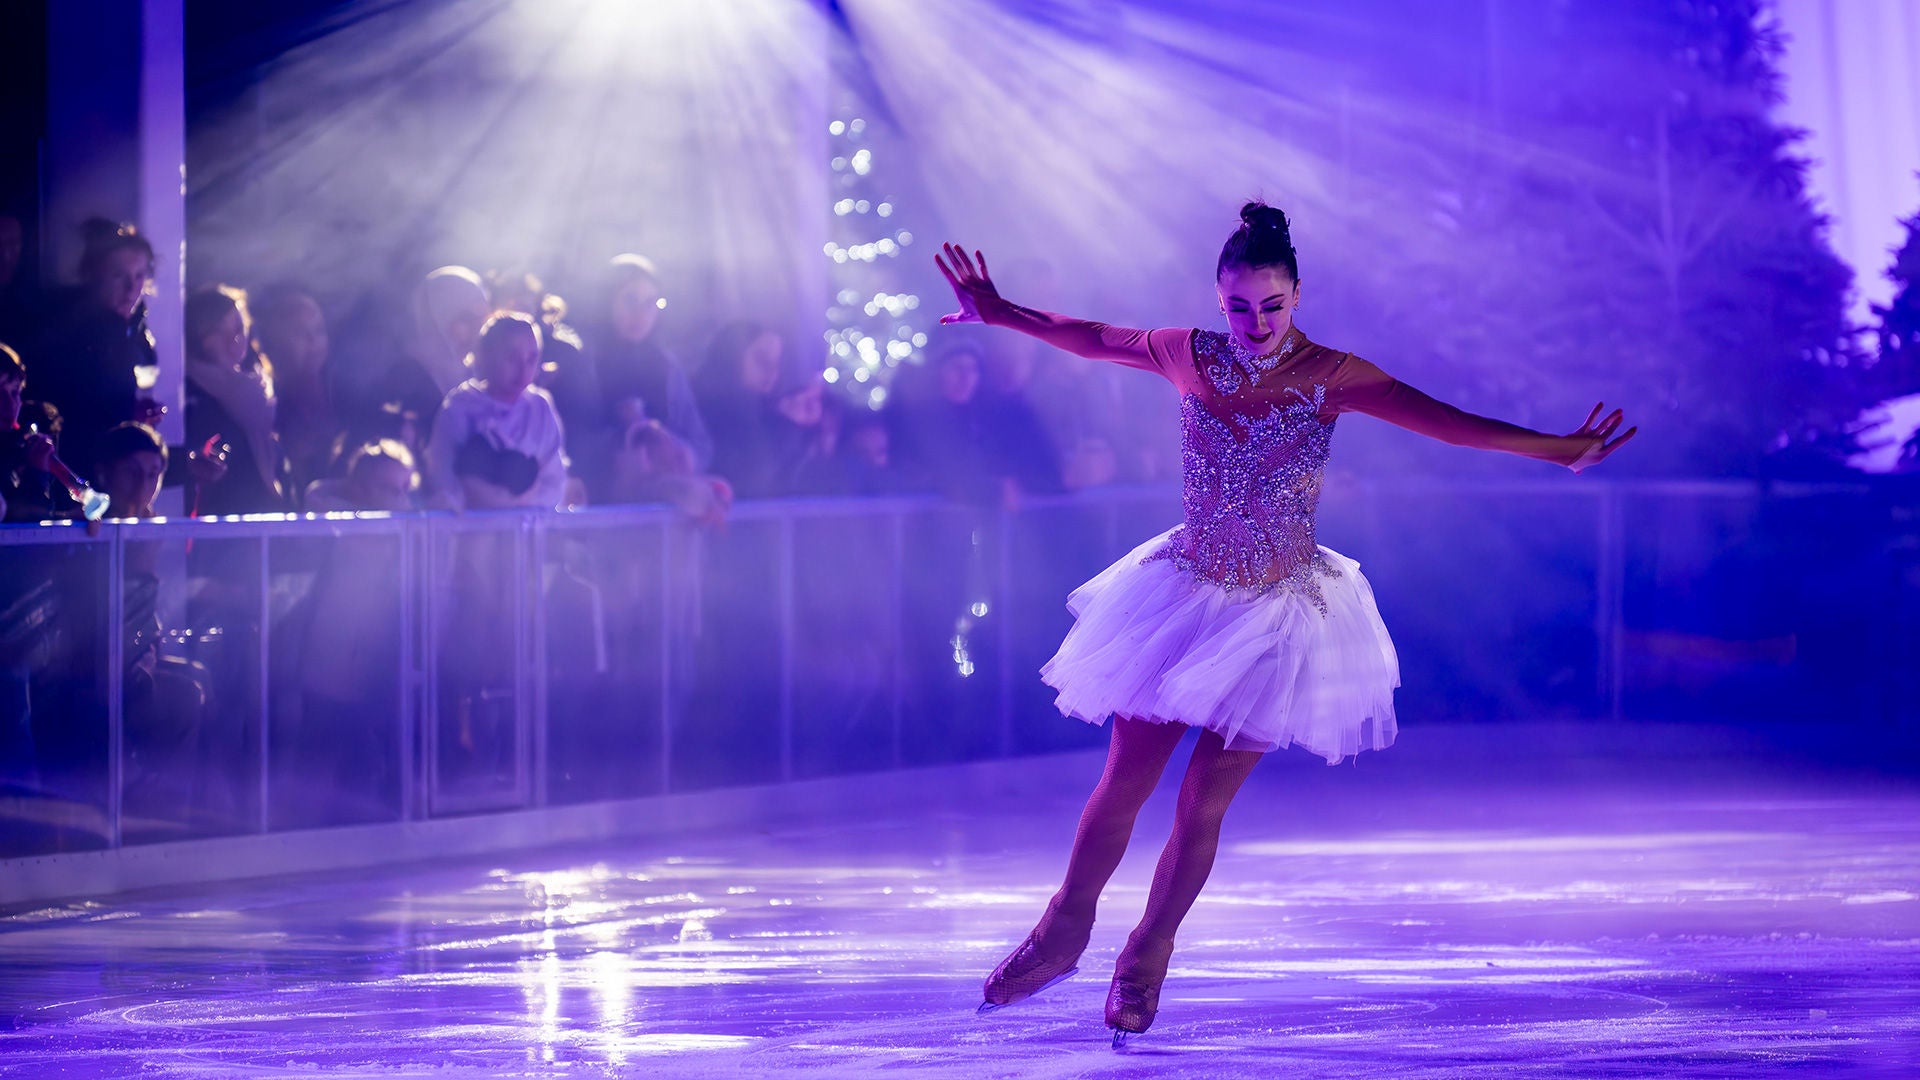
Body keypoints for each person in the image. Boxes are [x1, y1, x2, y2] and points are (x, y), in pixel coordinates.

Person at [935, 203, 1635, 1043]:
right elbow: (1091, 335)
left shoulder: (1335, 375)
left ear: (1297, 296)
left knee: (1200, 808)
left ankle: (1145, 956)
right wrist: (999, 310)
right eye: (1239, 306)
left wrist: (1556, 448)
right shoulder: (1185, 352)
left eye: (1271, 305)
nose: (1256, 323)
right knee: (1124, 782)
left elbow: (1446, 422)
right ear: (1219, 299)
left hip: (1277, 622)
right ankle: (1061, 932)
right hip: (1182, 602)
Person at [425, 312, 567, 511]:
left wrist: (516, 507)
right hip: (471, 530)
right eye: (511, 357)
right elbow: (443, 476)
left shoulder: (541, 408)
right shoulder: (461, 407)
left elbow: (554, 481)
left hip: (527, 529)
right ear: (484, 356)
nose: (522, 368)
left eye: (531, 358)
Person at [183, 285, 288, 515]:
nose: (236, 340)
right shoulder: (189, 390)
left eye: (240, 329)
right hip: (218, 514)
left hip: (261, 507)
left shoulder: (256, 388)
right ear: (200, 338)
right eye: (221, 332)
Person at [249, 283, 341, 503]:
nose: (314, 342)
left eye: (318, 331)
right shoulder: (264, 401)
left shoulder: (342, 393)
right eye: (300, 333)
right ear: (275, 341)